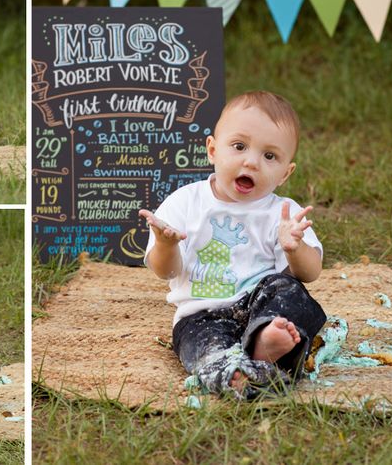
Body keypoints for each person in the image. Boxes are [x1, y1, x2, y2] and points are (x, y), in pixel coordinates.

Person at [140, 91, 326, 397]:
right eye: (239, 146)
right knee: (203, 345)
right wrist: (166, 244)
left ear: (285, 173)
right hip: (201, 314)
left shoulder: (283, 213)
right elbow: (165, 271)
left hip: (259, 305)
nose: (251, 162)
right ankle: (232, 370)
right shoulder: (186, 202)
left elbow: (311, 272)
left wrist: (295, 248)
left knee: (290, 291)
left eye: (269, 156)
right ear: (212, 150)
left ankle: (265, 339)